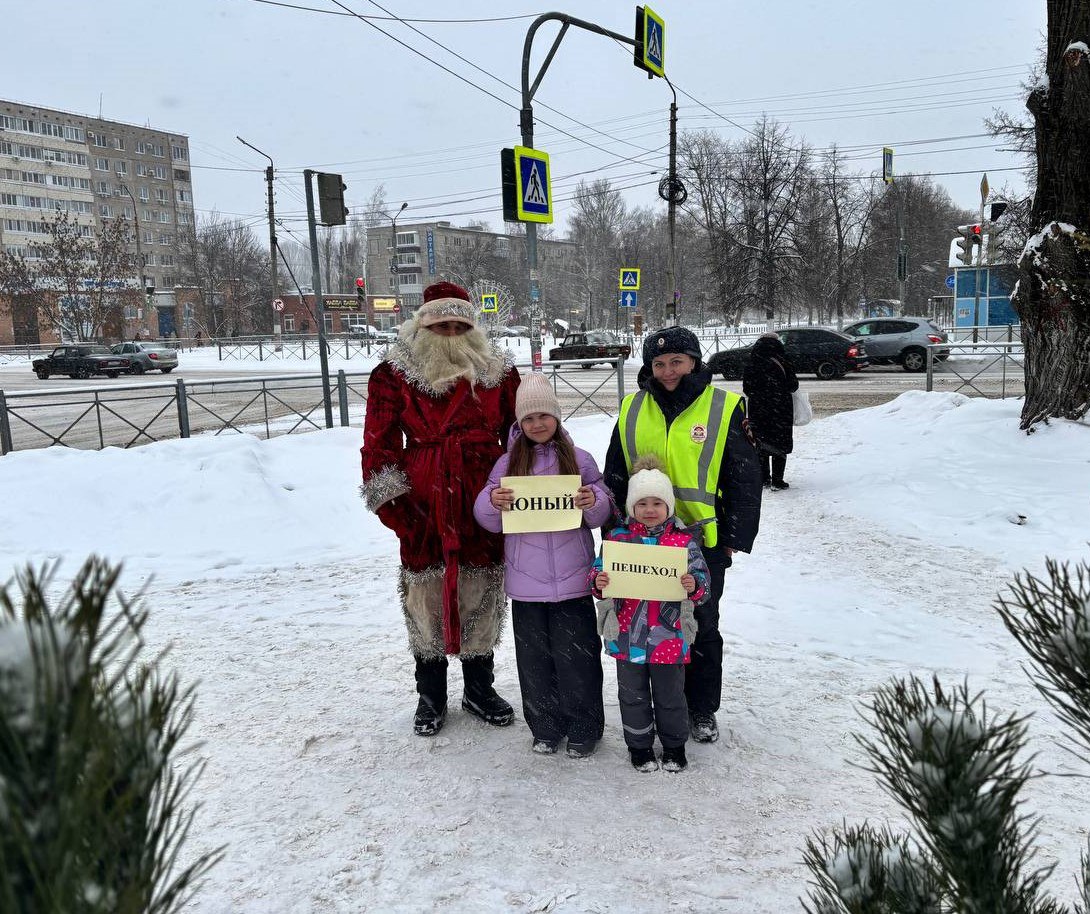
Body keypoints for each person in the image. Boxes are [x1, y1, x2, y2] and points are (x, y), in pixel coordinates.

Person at [361, 280, 521, 737]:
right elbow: (378, 447)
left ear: (472, 327)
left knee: (481, 591)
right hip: (423, 495)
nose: (451, 333)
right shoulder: (392, 374)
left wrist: (519, 496)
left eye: (459, 325)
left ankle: (479, 688)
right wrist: (397, 512)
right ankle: (430, 695)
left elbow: (519, 438)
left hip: (484, 497)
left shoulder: (500, 373)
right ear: (423, 325)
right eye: (441, 325)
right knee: (425, 597)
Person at [603, 325, 762, 745]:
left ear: (694, 361)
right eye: (659, 363)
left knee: (701, 625)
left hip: (699, 542)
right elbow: (615, 473)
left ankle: (700, 708)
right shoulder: (633, 407)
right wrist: (612, 530)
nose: (668, 371)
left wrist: (734, 537)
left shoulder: (723, 406)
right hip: (642, 543)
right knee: (651, 625)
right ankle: (658, 703)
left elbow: (745, 477)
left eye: (677, 361)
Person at [473, 372, 611, 758]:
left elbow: (603, 509)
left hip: (574, 581)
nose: (537, 425)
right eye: (529, 419)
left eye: (544, 416)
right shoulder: (507, 463)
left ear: (557, 417)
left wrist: (593, 501)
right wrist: (492, 502)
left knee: (579, 662)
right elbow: (487, 515)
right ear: (519, 423)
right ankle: (545, 727)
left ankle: (585, 727)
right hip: (527, 583)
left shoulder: (579, 459)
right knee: (535, 663)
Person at [593, 456, 710, 773]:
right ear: (631, 507)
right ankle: (639, 747)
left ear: (669, 506)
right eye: (641, 503)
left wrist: (692, 585)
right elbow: (599, 575)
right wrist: (599, 581)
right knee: (632, 697)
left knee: (671, 697)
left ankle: (674, 745)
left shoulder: (683, 543)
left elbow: (703, 587)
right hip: (627, 637)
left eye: (657, 502)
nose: (649, 509)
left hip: (669, 638)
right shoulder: (618, 540)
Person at [743, 332, 798, 491]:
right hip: (780, 409)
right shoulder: (783, 360)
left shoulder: (752, 362)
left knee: (761, 443)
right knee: (780, 442)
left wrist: (760, 395)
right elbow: (793, 385)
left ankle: (764, 478)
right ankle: (778, 480)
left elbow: (747, 388)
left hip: (758, 409)